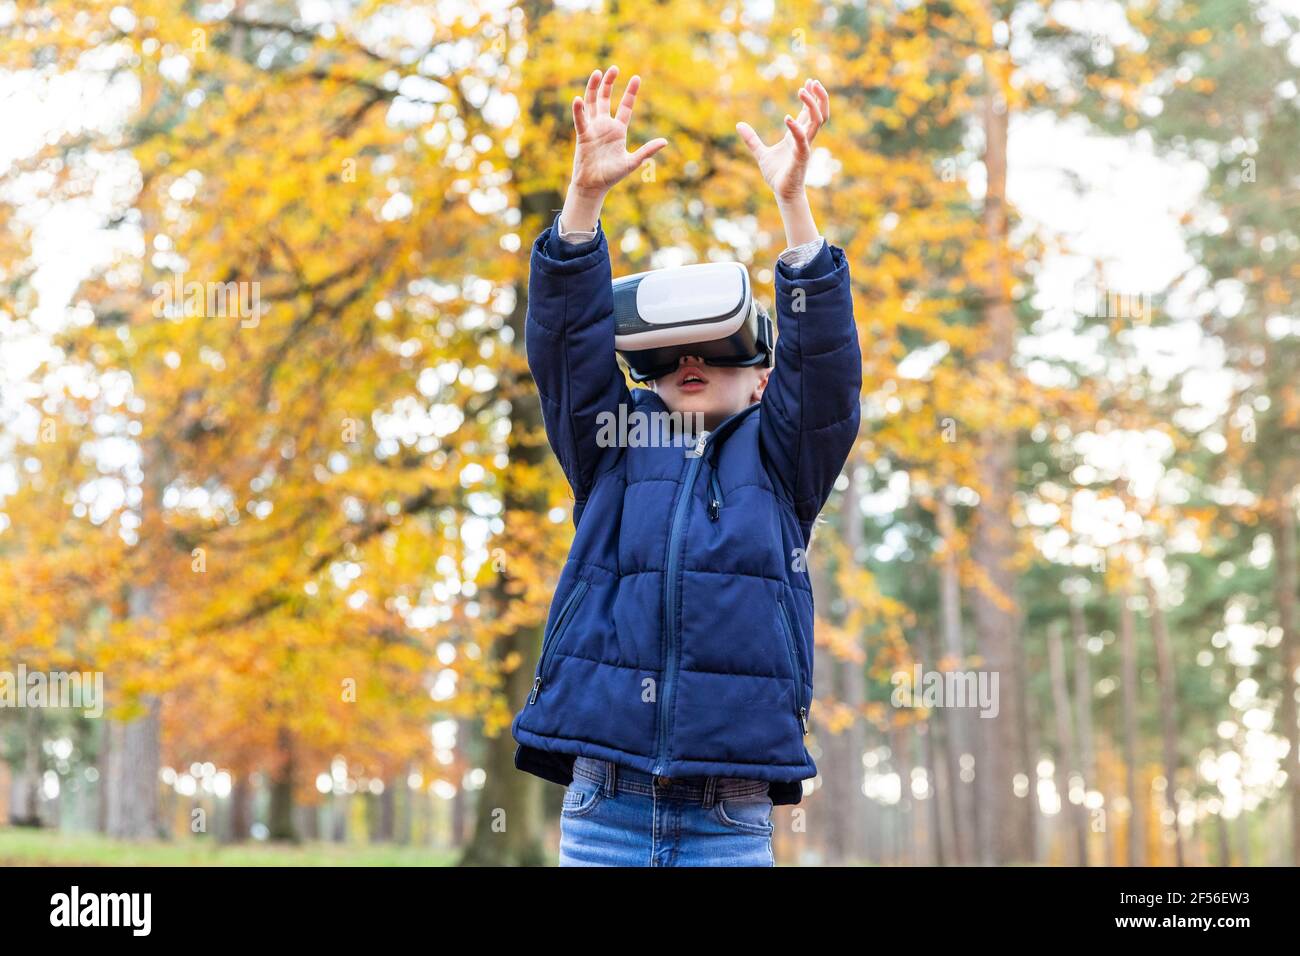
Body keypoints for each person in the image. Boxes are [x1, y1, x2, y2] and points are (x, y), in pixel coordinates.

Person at [510, 65, 862, 866]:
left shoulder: (781, 463)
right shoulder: (615, 445)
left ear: (766, 376)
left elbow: (829, 372)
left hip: (726, 821)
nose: (691, 362)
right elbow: (565, 346)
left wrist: (794, 207)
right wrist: (584, 201)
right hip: (604, 806)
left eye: (718, 349)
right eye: (672, 356)